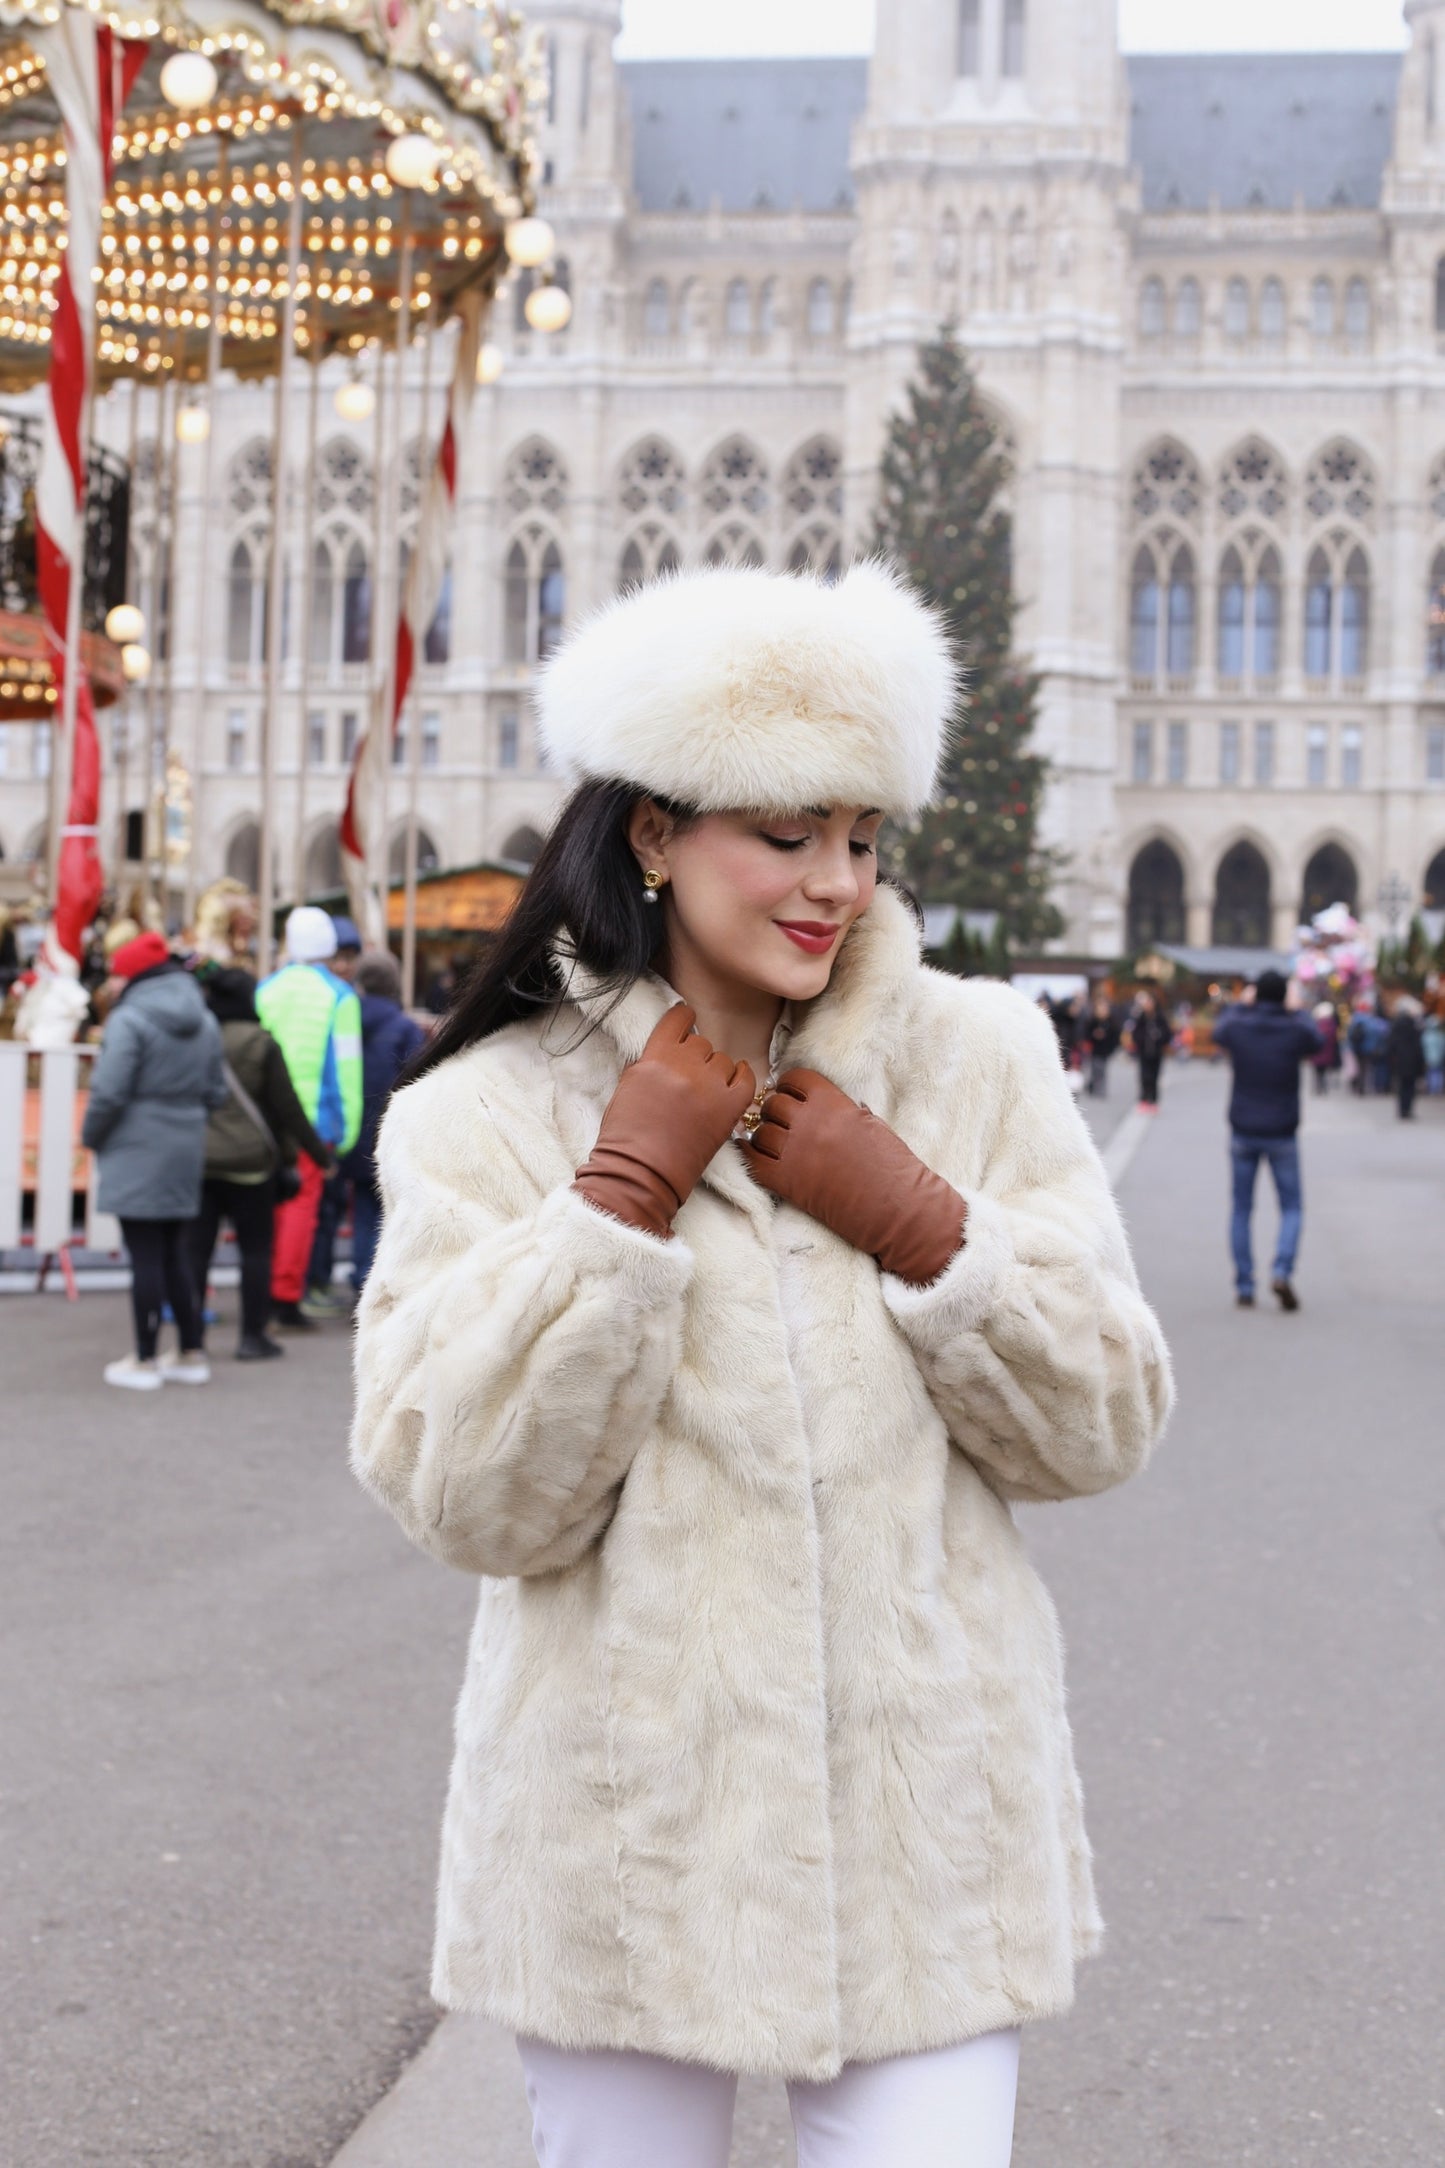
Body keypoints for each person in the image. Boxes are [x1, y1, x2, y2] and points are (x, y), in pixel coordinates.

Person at [349, 562, 1173, 2168]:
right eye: (787, 834)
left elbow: (1101, 1425)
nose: (835, 885)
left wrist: (933, 1231)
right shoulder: (487, 1112)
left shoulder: (977, 1061)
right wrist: (613, 1206)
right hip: (620, 1844)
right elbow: (464, 1499)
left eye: (861, 838)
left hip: (923, 1839)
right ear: (654, 833)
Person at [81, 931, 226, 1389]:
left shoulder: (129, 1020)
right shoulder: (204, 1019)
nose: (112, 984)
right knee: (175, 1252)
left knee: (144, 1253)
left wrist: (91, 1135)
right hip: (185, 1146)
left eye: (117, 975)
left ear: (134, 977)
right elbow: (217, 1091)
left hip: (135, 1144)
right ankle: (190, 1352)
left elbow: (109, 1091)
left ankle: (143, 1359)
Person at [193, 966, 335, 1360]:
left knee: (196, 1253)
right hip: (252, 1165)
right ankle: (252, 1338)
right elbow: (287, 1108)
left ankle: (192, 1341)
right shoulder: (262, 1044)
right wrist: (319, 1155)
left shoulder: (199, 1040)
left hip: (202, 1160)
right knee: (255, 1252)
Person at [255, 906, 362, 1330]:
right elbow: (348, 1068)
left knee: (269, 1207)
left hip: (265, 1120)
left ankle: (262, 1290)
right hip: (316, 1124)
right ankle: (285, 1296)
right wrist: (348, 1129)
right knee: (302, 1207)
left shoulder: (266, 989)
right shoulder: (340, 996)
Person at [1212, 969, 1322, 1312]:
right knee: (1291, 1207)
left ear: (1255, 995)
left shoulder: (1239, 1024)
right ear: (1284, 996)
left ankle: (1245, 1284)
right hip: (1282, 1131)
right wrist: (1297, 1010)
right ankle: (1282, 1271)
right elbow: (1317, 1041)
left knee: (1241, 1209)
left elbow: (1219, 1030)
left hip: (1243, 1128)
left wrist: (1241, 1005)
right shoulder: (1295, 1027)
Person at [340, 949, 427, 1296]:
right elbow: (418, 1080)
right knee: (391, 1211)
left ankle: (359, 1277)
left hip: (350, 1130)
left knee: (360, 1208)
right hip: (391, 1132)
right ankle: (382, 1282)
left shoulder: (343, 1020)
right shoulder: (405, 1028)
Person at [1127, 987, 1172, 1110]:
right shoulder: (1141, 1018)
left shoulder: (1160, 1018)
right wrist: (1142, 1039)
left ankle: (1153, 1100)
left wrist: (1159, 1036)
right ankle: (1144, 1099)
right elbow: (1135, 1034)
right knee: (1144, 1076)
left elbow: (1167, 1034)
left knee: (1154, 1077)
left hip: (1157, 1052)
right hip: (1143, 1052)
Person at [1386, 995, 1425, 1119]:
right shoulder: (1413, 1024)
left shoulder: (1397, 1023)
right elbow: (1417, 1045)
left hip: (1401, 1059)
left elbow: (1391, 1043)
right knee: (1409, 1086)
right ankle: (1406, 1109)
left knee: (1403, 1085)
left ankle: (1403, 1109)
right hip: (1411, 1059)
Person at [1082, 994, 1120, 1097]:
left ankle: (1100, 1089)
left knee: (1102, 1069)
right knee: (1095, 1069)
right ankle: (1094, 1087)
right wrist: (1094, 1035)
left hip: (1105, 1050)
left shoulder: (1112, 1022)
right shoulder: (1092, 1021)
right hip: (1094, 1049)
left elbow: (1115, 1037)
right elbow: (1086, 1034)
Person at [1309, 1001, 1339, 1095]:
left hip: (1317, 1053)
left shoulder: (1316, 1024)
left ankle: (1319, 1087)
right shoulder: (1332, 1024)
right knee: (1324, 1071)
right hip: (1327, 1052)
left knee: (1318, 1072)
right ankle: (1323, 1087)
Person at [1422, 1006, 1445, 1095]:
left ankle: (1432, 1088)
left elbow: (1423, 1047)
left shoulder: (1426, 1036)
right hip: (1438, 1057)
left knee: (1431, 1073)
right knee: (1437, 1073)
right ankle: (1436, 1088)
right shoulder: (1440, 1036)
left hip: (1429, 1057)